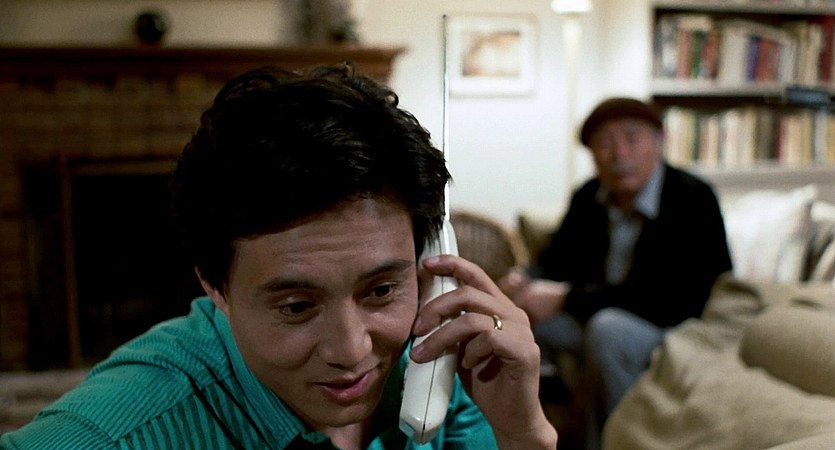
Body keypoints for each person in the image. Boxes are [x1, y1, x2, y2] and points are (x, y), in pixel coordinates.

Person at [1, 65, 557, 449]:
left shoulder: (437, 362)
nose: (353, 351)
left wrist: (524, 434)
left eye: (381, 290)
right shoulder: (118, 431)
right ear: (215, 287)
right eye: (296, 306)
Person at [500, 97, 733, 419]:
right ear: (593, 155)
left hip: (673, 325)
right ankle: (523, 429)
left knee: (608, 331)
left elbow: (670, 298)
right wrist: (525, 278)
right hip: (596, 313)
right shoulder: (589, 196)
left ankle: (616, 438)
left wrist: (567, 298)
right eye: (605, 143)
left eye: (632, 139)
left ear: (659, 142)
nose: (620, 154)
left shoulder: (693, 198)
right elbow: (556, 259)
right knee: (514, 317)